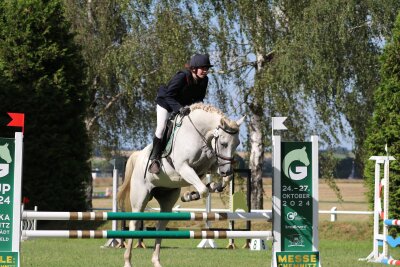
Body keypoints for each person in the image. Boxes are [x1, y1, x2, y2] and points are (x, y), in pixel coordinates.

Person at [148, 53, 213, 174]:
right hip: (166, 103)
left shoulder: (204, 80)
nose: (205, 71)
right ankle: (154, 159)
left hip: (184, 105)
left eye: (207, 68)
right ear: (194, 69)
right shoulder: (182, 77)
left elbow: (199, 99)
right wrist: (179, 109)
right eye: (203, 68)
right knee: (161, 128)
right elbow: (169, 95)